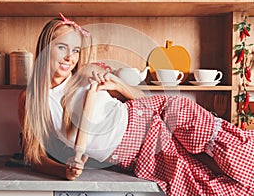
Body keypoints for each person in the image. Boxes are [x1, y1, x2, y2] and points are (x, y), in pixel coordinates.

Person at [20, 13, 254, 196]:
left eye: (76, 49)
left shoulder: (85, 74)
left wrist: (119, 85)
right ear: (44, 48)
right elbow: (36, 157)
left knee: (227, 151)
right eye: (62, 47)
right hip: (137, 153)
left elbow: (138, 100)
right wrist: (65, 171)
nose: (70, 56)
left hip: (155, 114)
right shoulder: (30, 100)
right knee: (200, 182)